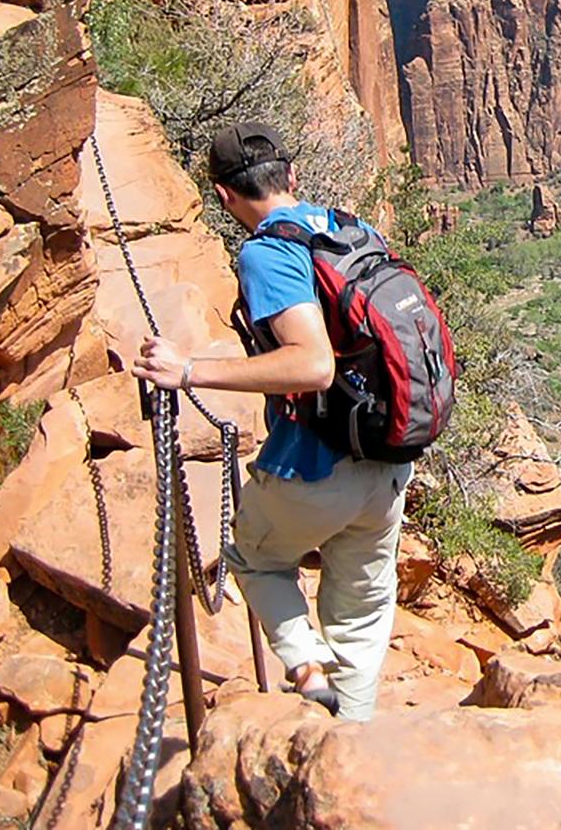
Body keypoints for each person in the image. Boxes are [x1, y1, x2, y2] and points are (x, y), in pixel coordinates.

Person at [130, 121, 410, 721]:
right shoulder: (349, 227)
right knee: (360, 615)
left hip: (316, 465)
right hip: (389, 461)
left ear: (225, 197)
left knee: (253, 558)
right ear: (293, 177)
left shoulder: (266, 252)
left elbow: (310, 365)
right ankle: (349, 741)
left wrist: (188, 373)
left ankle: (308, 676)